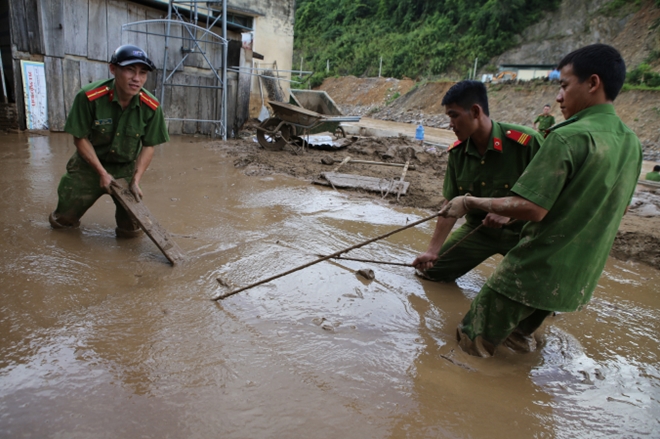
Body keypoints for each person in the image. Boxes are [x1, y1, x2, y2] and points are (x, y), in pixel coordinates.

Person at [440, 44, 642, 357]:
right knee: (516, 341)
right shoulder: (631, 143)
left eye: (564, 86)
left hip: (532, 269)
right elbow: (621, 208)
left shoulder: (566, 136)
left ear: (593, 83)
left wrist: (470, 203)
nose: (558, 97)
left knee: (470, 343)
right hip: (575, 279)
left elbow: (532, 208)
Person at [412, 81, 543, 283]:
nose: (450, 124)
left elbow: (550, 194)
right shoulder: (458, 152)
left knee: (540, 293)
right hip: (478, 231)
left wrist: (509, 211)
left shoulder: (527, 143)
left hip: (525, 234)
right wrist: (432, 251)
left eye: (454, 115)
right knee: (430, 273)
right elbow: (450, 205)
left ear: (474, 111)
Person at [49, 45, 169, 238]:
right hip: (87, 166)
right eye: (130, 70)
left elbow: (148, 146)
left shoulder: (151, 107)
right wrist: (102, 173)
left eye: (143, 73)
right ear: (113, 69)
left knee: (131, 230)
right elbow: (79, 138)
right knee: (62, 222)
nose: (137, 79)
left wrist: (136, 180)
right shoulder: (89, 97)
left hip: (125, 168)